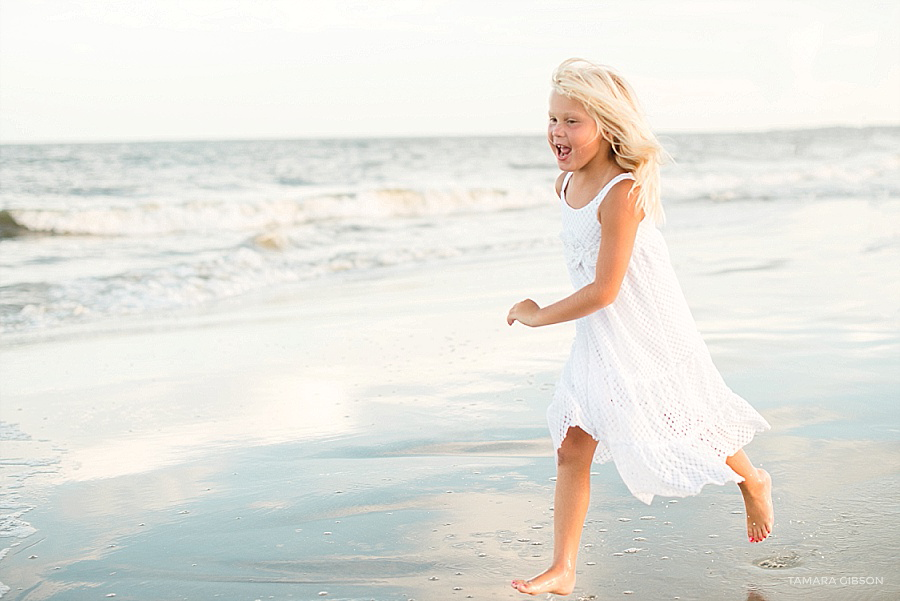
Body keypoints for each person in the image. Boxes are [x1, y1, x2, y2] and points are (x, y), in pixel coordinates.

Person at [506, 58, 774, 596]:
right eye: (552, 119)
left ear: (607, 126)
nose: (557, 132)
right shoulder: (567, 183)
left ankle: (753, 478)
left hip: (645, 325)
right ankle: (563, 569)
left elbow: (606, 289)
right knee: (572, 445)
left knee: (685, 416)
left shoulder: (623, 192)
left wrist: (538, 315)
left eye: (572, 121)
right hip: (599, 332)